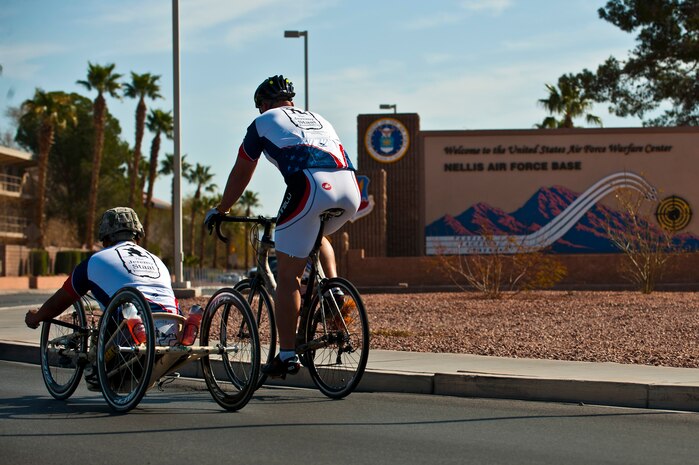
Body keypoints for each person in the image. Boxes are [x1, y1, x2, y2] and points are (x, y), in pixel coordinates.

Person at [205, 75, 360, 378]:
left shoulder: (262, 122)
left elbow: (242, 172)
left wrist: (221, 209)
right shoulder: (318, 117)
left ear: (263, 104)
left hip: (312, 187)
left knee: (287, 278)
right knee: (317, 232)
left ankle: (287, 354)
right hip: (350, 189)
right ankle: (333, 289)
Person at [25, 207, 180, 389]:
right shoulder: (157, 260)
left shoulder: (95, 260)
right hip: (174, 328)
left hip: (131, 330)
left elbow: (59, 301)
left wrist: (36, 317)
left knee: (117, 312)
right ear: (138, 236)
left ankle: (99, 371)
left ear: (105, 238)